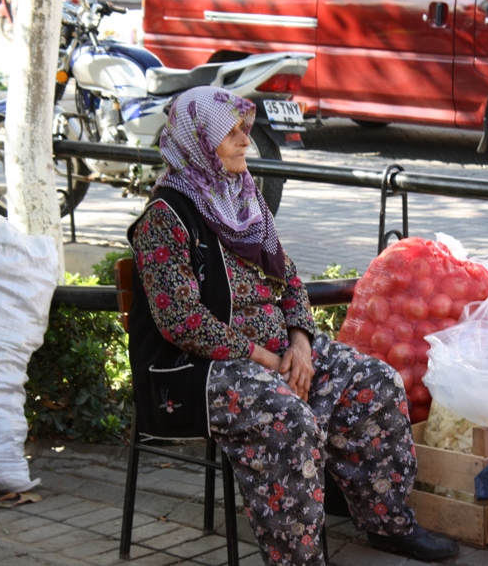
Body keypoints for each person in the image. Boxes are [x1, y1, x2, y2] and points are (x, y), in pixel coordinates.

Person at [126, 85, 459, 566]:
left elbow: (290, 283)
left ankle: (387, 522)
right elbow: (184, 321)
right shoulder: (167, 216)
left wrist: (300, 346)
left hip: (278, 354)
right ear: (198, 142)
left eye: (245, 130)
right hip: (197, 369)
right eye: (232, 133)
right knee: (287, 417)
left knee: (375, 380)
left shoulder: (245, 201)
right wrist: (267, 359)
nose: (245, 141)